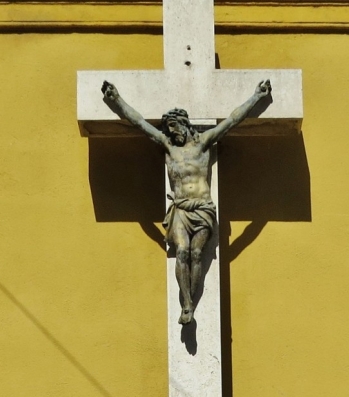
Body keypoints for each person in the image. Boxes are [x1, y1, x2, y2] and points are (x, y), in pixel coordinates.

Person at [101, 79, 272, 324]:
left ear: (184, 124)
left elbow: (232, 120)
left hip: (202, 209)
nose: (172, 133)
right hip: (180, 209)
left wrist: (257, 97)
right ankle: (187, 305)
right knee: (182, 251)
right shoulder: (169, 148)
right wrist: (116, 100)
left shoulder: (203, 143)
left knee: (195, 252)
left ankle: (192, 298)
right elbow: (139, 122)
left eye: (174, 128)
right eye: (169, 130)